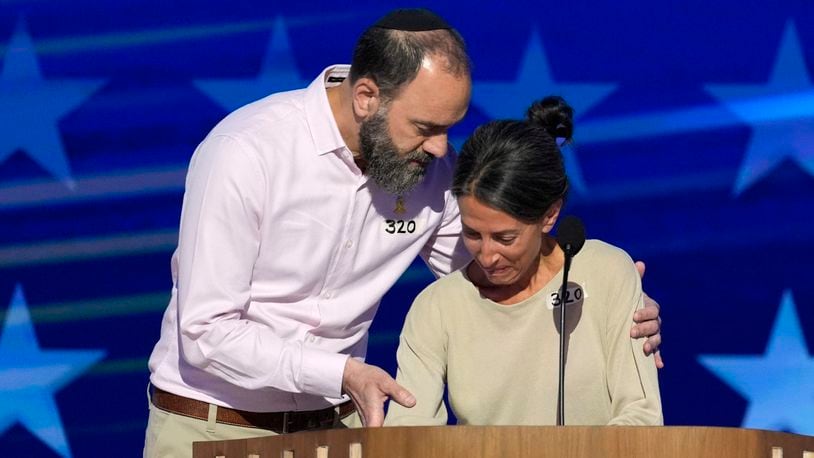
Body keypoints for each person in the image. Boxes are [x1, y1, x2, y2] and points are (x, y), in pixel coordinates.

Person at [144, 8, 663, 456]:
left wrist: (610, 301)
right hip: (213, 427)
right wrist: (339, 373)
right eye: (426, 128)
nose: (441, 149)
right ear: (367, 97)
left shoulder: (432, 173)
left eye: (449, 128)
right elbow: (205, 332)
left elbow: (497, 272)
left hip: (340, 429)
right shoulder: (246, 152)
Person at [385, 97, 663, 426]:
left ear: (549, 216)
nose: (486, 256)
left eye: (505, 238)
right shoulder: (437, 307)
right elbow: (408, 436)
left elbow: (640, 418)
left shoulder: (606, 272)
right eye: (472, 233)